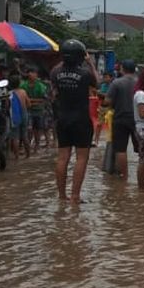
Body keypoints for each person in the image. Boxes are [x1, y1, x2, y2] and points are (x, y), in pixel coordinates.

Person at [52, 39, 100, 204]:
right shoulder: (85, 74)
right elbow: (97, 83)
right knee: (81, 158)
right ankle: (75, 196)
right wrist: (91, 63)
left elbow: (54, 89)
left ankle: (61, 196)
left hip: (62, 118)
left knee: (62, 157)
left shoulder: (55, 72)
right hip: (80, 119)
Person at [106, 60, 139, 181]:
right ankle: (143, 176)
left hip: (120, 118)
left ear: (122, 69)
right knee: (142, 149)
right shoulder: (139, 83)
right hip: (138, 120)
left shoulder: (116, 83)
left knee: (120, 149)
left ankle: (124, 177)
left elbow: (108, 101)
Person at [20, 67, 50, 152]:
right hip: (28, 110)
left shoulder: (41, 86)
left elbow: (44, 99)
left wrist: (30, 100)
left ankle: (36, 146)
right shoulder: (23, 85)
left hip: (39, 110)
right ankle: (28, 146)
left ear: (36, 75)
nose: (31, 75)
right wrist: (33, 101)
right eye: (30, 73)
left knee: (38, 129)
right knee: (29, 129)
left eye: (33, 73)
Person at [7, 77, 31, 161]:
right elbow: (29, 104)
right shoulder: (23, 92)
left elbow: (7, 106)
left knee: (15, 136)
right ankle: (28, 155)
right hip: (24, 113)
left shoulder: (9, 94)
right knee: (25, 135)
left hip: (14, 115)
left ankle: (16, 157)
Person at [94, 71, 114, 145]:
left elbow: (108, 96)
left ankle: (111, 140)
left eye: (106, 77)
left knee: (110, 124)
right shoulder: (103, 85)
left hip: (110, 107)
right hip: (102, 107)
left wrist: (99, 93)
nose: (105, 79)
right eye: (104, 77)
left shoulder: (113, 86)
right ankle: (96, 140)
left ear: (111, 78)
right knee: (99, 124)